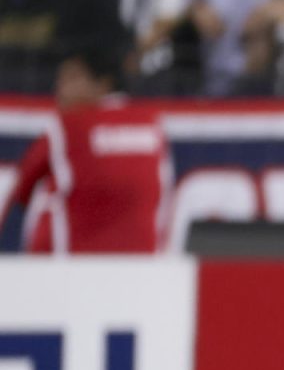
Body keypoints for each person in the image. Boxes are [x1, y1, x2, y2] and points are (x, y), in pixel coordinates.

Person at [0, 46, 176, 254]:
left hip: (71, 269)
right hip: (145, 266)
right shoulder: (152, 123)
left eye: (71, 78)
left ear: (103, 83)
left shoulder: (69, 126)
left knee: (46, 194)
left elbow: (21, 188)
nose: (59, 88)